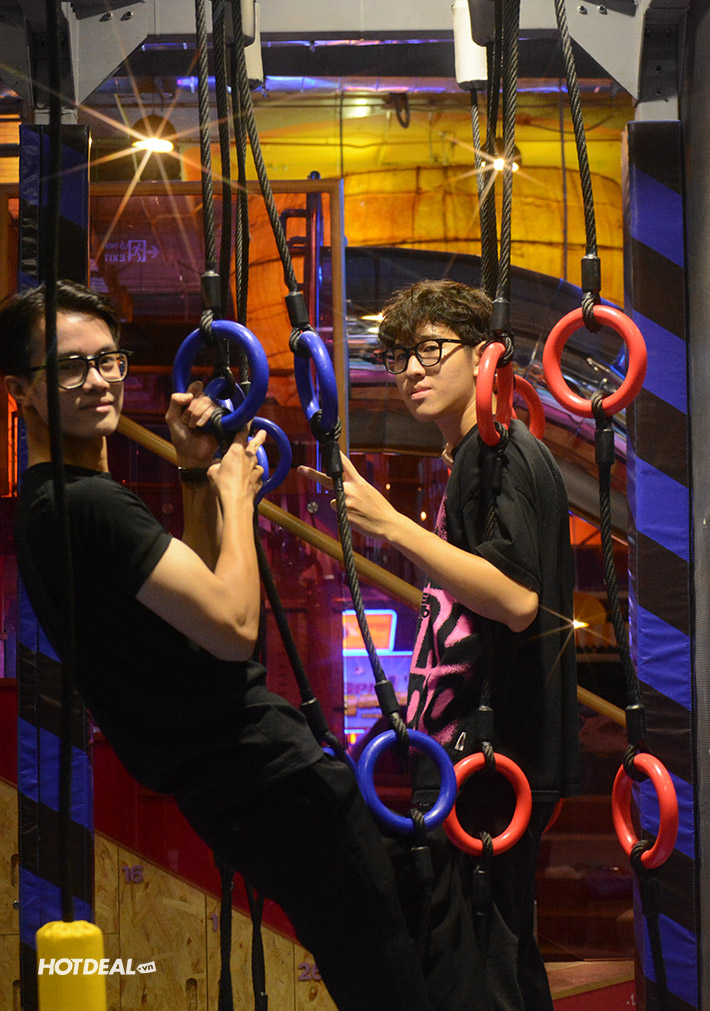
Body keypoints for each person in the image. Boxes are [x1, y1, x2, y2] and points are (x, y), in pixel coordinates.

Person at [0, 279, 434, 1011]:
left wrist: (197, 472)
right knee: (393, 982)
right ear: (21, 390)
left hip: (239, 793)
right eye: (69, 367)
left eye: (107, 359)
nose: (99, 380)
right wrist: (237, 492)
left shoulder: (53, 506)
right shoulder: (89, 504)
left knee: (394, 947)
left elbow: (194, 606)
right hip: (270, 777)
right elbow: (232, 630)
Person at [300, 279, 580, 1011]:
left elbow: (516, 600)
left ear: (485, 357)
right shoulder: (476, 457)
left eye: (430, 350)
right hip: (468, 759)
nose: (411, 371)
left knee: (479, 975)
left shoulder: (497, 453)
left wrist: (389, 525)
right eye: (399, 356)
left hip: (489, 763)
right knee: (482, 966)